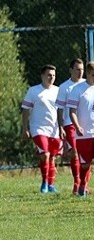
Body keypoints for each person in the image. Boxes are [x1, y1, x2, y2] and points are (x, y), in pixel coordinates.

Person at [21, 64, 61, 193]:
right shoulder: (33, 91)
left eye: (54, 75)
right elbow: (25, 110)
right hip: (38, 128)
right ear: (42, 76)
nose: (51, 78)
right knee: (45, 154)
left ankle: (51, 184)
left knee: (52, 157)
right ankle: (44, 182)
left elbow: (61, 111)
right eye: (49, 75)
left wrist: (62, 127)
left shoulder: (58, 91)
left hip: (54, 129)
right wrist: (25, 128)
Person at [68, 61, 94, 198]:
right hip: (83, 134)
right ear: (87, 74)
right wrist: (77, 126)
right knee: (85, 164)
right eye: (93, 75)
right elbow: (72, 111)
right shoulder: (77, 89)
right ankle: (82, 185)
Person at [56, 58, 85, 194]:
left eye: (82, 70)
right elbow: (60, 108)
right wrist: (61, 127)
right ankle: (77, 181)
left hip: (85, 124)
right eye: (77, 69)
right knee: (74, 152)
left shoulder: (87, 84)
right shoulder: (64, 87)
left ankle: (83, 184)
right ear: (71, 70)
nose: (80, 72)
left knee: (85, 156)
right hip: (69, 123)